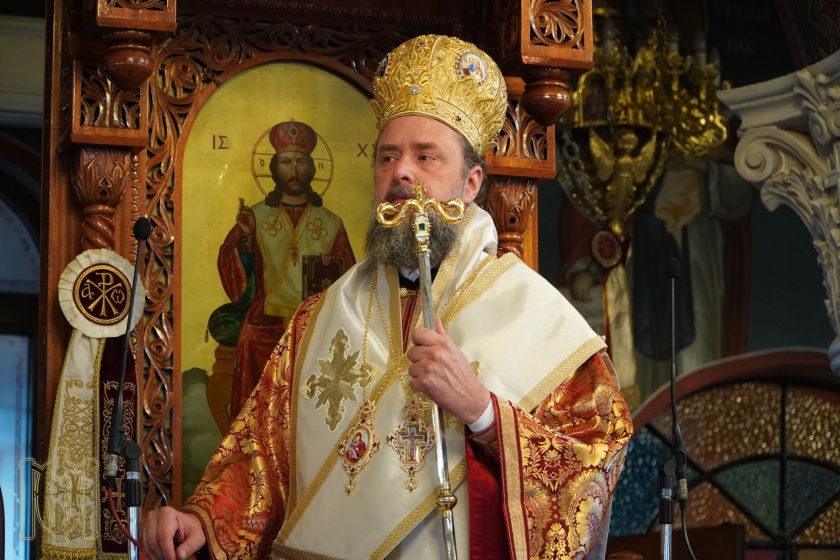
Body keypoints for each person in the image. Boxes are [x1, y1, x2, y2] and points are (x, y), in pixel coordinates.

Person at [142, 35, 632, 560]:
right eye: (388, 156)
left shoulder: (532, 313)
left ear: (470, 183)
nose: (401, 172)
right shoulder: (319, 319)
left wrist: (482, 412)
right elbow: (262, 455)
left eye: (426, 157)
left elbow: (594, 456)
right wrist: (202, 519)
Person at [214, 120, 355, 418]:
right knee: (249, 338)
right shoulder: (255, 215)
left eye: (300, 162)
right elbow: (232, 268)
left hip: (314, 320)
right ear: (274, 169)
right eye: (286, 162)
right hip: (265, 318)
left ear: (311, 169)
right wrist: (246, 239)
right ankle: (254, 429)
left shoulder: (331, 223)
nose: (293, 170)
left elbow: (349, 279)